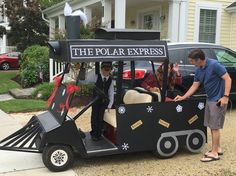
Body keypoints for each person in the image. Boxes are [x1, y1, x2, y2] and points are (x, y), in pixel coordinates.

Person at [174, 49, 231, 162]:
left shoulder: (214, 65)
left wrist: (225, 97)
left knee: (215, 127)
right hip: (209, 99)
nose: (191, 63)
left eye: (191, 61)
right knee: (211, 126)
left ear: (199, 60)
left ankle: (214, 153)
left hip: (218, 100)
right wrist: (183, 97)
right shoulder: (199, 70)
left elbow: (228, 79)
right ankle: (217, 148)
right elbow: (195, 86)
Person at [90, 62, 114, 141]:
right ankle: (94, 132)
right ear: (101, 69)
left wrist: (110, 105)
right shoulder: (96, 77)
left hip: (104, 102)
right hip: (95, 101)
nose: (106, 71)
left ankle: (98, 134)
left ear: (110, 70)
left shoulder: (110, 80)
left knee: (100, 118)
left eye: (108, 70)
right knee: (94, 117)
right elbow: (86, 80)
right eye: (104, 69)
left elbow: (111, 93)